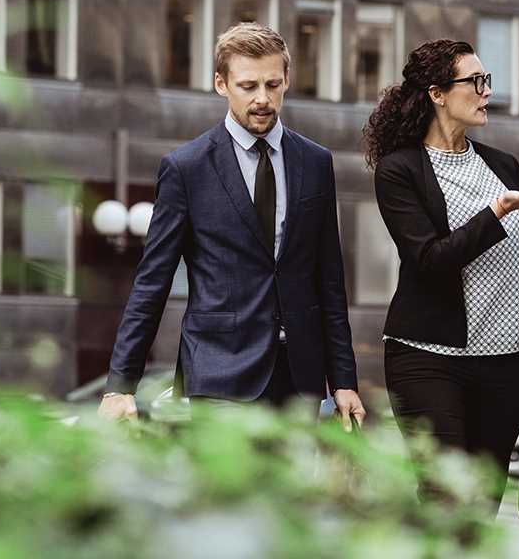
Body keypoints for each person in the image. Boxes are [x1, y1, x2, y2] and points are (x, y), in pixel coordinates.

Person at [99, 23, 365, 427]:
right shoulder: (185, 169)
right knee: (231, 490)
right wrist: (121, 384)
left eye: (273, 84)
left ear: (287, 80)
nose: (263, 99)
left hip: (299, 377)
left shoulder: (315, 163)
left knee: (288, 493)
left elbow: (329, 278)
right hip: (219, 371)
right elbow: (152, 281)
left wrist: (343, 379)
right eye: (248, 86)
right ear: (221, 84)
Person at [363, 38, 519, 511]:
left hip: (504, 365)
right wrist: (497, 210)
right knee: (445, 499)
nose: (485, 93)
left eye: (486, 81)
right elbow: (430, 261)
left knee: (481, 505)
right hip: (427, 358)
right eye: (474, 82)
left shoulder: (502, 165)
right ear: (437, 93)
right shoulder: (400, 171)